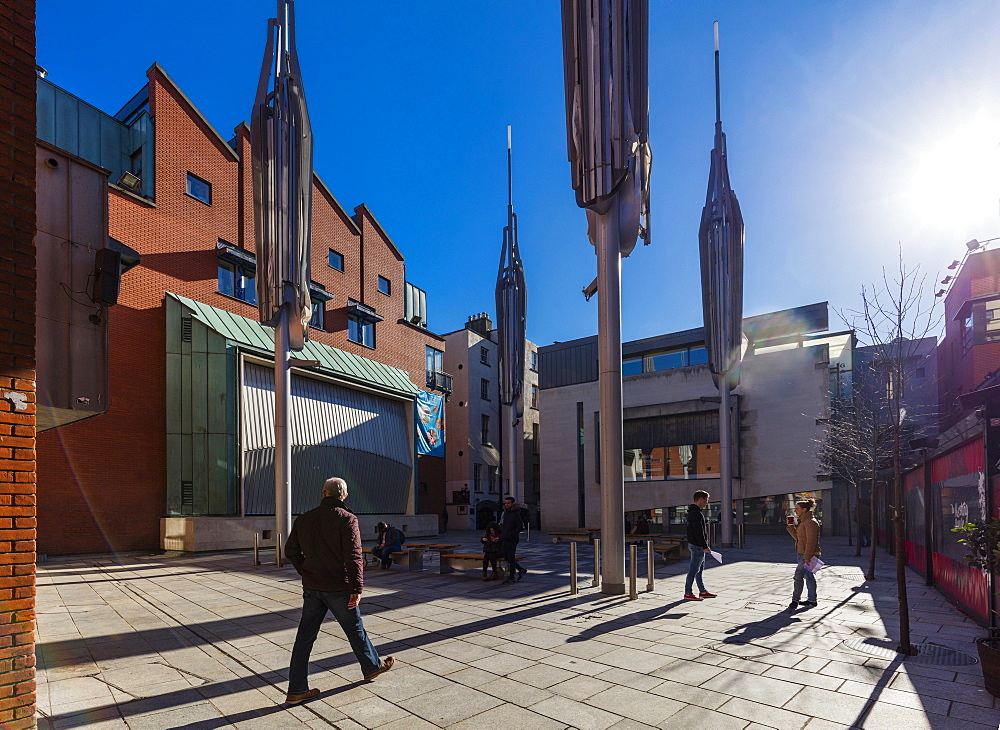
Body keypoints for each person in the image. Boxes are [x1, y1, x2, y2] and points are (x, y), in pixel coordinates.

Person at [284, 477, 393, 705]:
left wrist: (305, 571)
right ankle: (371, 666)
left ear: (324, 493)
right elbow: (353, 557)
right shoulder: (347, 519)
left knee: (304, 638)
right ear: (343, 496)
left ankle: (296, 689)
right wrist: (357, 587)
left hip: (313, 586)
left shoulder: (304, 519)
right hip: (338, 586)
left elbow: (291, 550)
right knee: (355, 629)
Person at [785, 498, 822, 610]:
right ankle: (812, 600)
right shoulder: (804, 521)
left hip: (808, 554)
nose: (795, 511)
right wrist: (791, 527)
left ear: (804, 510)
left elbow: (812, 541)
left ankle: (795, 600)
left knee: (798, 576)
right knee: (809, 576)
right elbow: (798, 538)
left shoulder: (810, 522)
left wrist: (807, 557)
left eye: (797, 509)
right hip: (802, 552)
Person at [684, 490, 716, 600]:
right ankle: (688, 593)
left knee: (699, 570)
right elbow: (698, 532)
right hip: (697, 546)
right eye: (706, 500)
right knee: (694, 570)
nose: (707, 503)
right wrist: (704, 546)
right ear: (701, 499)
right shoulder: (696, 513)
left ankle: (702, 591)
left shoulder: (692, 511)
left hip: (695, 544)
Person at [500, 496, 527, 584]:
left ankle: (511, 577)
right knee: (505, 556)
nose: (507, 504)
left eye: (508, 503)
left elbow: (521, 527)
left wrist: (511, 533)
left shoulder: (515, 513)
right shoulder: (506, 513)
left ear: (512, 504)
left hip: (511, 539)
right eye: (506, 503)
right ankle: (521, 569)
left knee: (511, 558)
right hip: (505, 538)